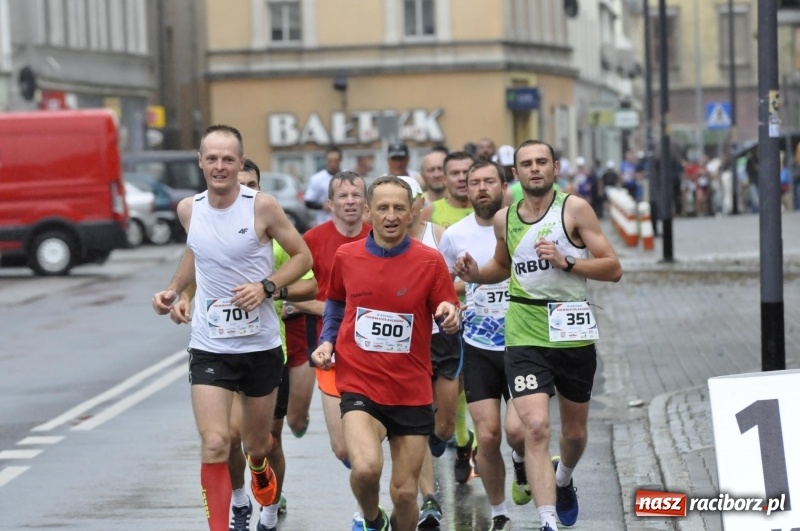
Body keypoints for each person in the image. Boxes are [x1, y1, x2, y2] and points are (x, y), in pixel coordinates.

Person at [151, 125, 313, 531]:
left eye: (228, 159)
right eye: (212, 159)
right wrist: (174, 291)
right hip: (210, 345)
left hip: (259, 346)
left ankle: (259, 468)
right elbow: (197, 252)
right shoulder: (190, 209)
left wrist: (267, 286)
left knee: (256, 446)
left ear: (240, 163)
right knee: (216, 443)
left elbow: (303, 256)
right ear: (201, 163)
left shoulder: (262, 207)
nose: (220, 166)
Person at [454, 139, 622, 531]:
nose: (534, 169)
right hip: (524, 333)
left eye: (541, 162)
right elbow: (501, 265)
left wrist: (567, 262)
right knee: (534, 427)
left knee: (575, 435)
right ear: (515, 173)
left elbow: (613, 268)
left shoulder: (575, 209)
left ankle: (563, 479)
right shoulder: (505, 218)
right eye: (526, 164)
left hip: (571, 333)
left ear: (555, 168)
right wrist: (473, 274)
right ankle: (547, 521)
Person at [311, 175, 460, 531]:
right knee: (364, 469)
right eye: (382, 208)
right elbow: (334, 302)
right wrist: (328, 341)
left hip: (411, 390)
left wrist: (452, 318)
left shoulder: (429, 261)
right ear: (367, 212)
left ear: (411, 212)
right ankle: (373, 518)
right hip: (361, 384)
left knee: (406, 494)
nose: (391, 216)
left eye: (398, 208)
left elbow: (449, 308)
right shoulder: (347, 256)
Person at [439, 160, 526, 531]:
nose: (481, 188)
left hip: (524, 342)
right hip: (477, 345)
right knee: (488, 435)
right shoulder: (454, 235)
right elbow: (441, 288)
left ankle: (522, 460)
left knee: (518, 431)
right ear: (465, 190)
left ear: (504, 186)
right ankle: (501, 510)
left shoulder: (522, 226)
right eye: (474, 182)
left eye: (489, 181)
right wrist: (454, 306)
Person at [289, 170, 372, 530]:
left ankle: (364, 509)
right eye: (343, 196)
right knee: (342, 448)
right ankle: (366, 469)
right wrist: (321, 307)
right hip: (329, 349)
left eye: (356, 195)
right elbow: (293, 294)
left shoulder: (380, 235)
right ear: (330, 203)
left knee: (370, 444)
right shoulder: (313, 239)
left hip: (374, 351)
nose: (350, 201)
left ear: (365, 203)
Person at [393, 176, 458, 529]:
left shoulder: (439, 236)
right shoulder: (381, 243)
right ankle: (429, 498)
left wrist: (447, 302)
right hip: (405, 344)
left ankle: (438, 437)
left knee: (443, 427)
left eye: (407, 202)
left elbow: (455, 282)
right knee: (415, 424)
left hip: (441, 336)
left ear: (419, 203)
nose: (401, 211)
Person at [421, 150, 478, 485]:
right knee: (451, 385)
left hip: (484, 312)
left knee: (470, 386)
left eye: (465, 172)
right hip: (447, 314)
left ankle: (464, 440)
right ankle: (459, 441)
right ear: (443, 177)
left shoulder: (492, 212)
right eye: (453, 173)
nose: (459, 178)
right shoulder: (433, 214)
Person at [304, 145, 342, 226]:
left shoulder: (348, 177)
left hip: (345, 223)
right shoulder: (317, 178)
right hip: (324, 222)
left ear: (340, 160)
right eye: (330, 161)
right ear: (326, 160)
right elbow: (308, 202)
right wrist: (322, 206)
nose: (333, 164)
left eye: (336, 161)